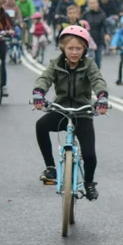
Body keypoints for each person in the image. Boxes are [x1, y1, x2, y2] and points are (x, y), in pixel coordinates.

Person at [31, 25, 108, 200]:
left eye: (78, 48)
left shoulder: (89, 65)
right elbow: (45, 78)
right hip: (61, 110)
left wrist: (102, 97)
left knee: (89, 155)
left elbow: (98, 80)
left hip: (83, 112)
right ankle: (50, 168)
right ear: (63, 48)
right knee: (41, 125)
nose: (74, 52)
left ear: (84, 49)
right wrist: (38, 93)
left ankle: (88, 183)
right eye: (70, 48)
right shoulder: (55, 64)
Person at [81, 0, 110, 68]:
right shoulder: (86, 14)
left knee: (97, 62)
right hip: (87, 40)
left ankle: (96, 78)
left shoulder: (102, 14)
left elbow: (106, 25)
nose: (92, 5)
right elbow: (80, 24)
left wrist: (107, 34)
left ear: (97, 4)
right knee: (87, 62)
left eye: (93, 3)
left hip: (98, 40)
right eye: (90, 3)